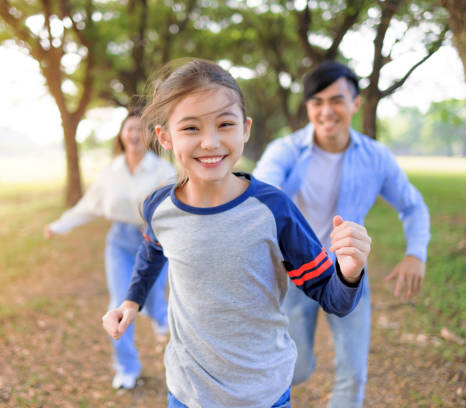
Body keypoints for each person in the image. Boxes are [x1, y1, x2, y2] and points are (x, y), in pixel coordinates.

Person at [102, 59, 372, 408]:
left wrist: (349, 272)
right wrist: (131, 301)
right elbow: (152, 252)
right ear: (165, 137)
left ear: (244, 129)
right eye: (191, 128)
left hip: (263, 393)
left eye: (224, 124)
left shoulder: (274, 210)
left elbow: (332, 296)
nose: (210, 142)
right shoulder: (160, 208)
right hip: (187, 393)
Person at [253, 61, 431, 408]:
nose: (326, 111)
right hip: (295, 273)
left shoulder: (375, 156)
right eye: (316, 102)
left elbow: (413, 206)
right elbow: (262, 191)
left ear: (356, 104)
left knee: (352, 373)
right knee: (295, 367)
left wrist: (416, 253)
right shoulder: (286, 150)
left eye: (336, 100)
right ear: (307, 108)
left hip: (348, 275)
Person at [45, 110, 175, 390]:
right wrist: (59, 226)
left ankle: (159, 315)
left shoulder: (163, 172)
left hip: (153, 242)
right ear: (121, 134)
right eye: (129, 128)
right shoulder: (112, 172)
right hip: (119, 242)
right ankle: (127, 367)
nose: (133, 134)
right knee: (119, 302)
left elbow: (174, 210)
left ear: (151, 135)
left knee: (152, 298)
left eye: (140, 129)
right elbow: (89, 205)